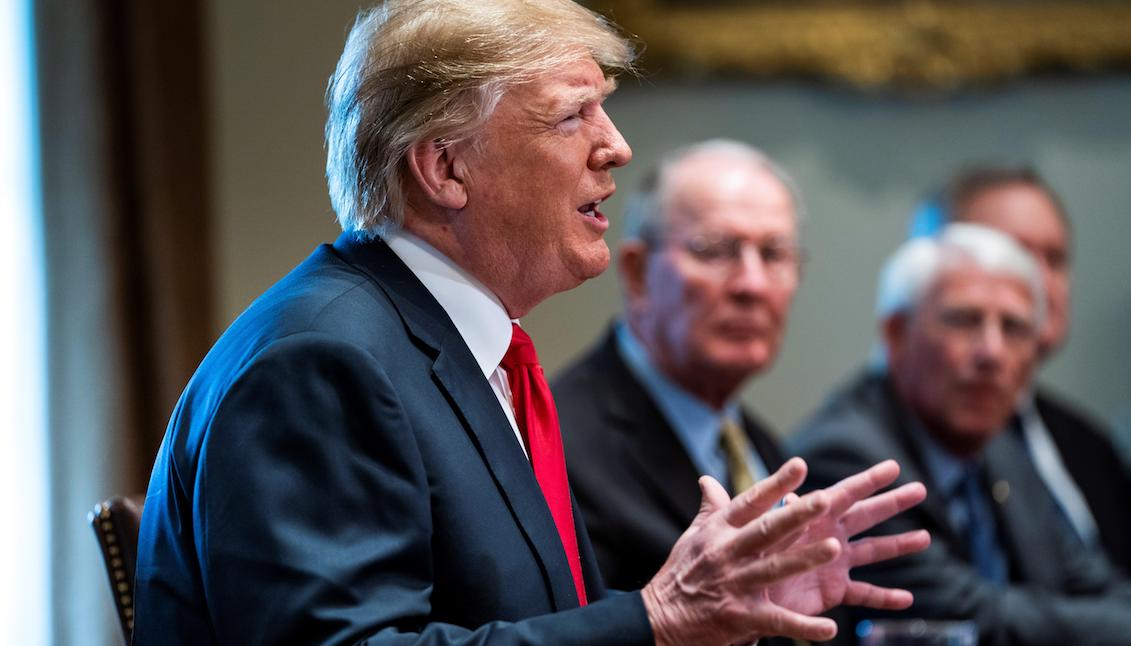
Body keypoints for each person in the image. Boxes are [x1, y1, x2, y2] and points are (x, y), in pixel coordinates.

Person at [132, 1, 931, 644]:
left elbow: (526, 620)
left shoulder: (464, 350)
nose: (615, 148)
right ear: (444, 167)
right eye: (570, 117)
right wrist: (654, 619)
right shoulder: (320, 362)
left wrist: (726, 616)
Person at [791, 223, 1131, 645]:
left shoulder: (999, 446)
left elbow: (1088, 579)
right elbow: (963, 621)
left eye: (1014, 328)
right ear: (897, 335)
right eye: (965, 320)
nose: (992, 352)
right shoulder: (847, 455)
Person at [553, 141, 800, 598]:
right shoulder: (558, 449)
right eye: (716, 250)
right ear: (638, 273)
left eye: (773, 254)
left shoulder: (764, 453)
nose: (752, 284)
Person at [911, 165, 1131, 572]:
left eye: (1056, 259)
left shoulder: (1091, 445)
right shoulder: (910, 441)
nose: (1041, 281)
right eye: (1018, 255)